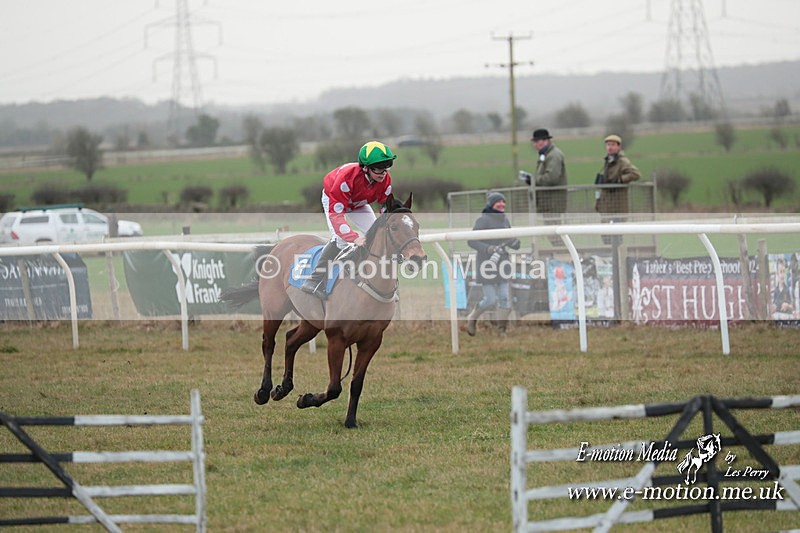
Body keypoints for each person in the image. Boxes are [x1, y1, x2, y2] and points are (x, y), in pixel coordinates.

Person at [301, 140, 397, 299]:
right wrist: (354, 237)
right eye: (379, 168)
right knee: (341, 241)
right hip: (335, 200)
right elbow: (337, 215)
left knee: (377, 235)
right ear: (365, 168)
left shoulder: (385, 180)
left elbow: (385, 208)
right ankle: (314, 279)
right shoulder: (346, 179)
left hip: (359, 203)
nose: (383, 173)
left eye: (386, 168)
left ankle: (370, 276)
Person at [465, 192, 521, 336]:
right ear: (491, 204)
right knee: (490, 300)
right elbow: (471, 240)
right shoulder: (483, 220)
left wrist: (515, 243)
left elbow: (511, 239)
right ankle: (472, 318)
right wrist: (488, 248)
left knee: (504, 298)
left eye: (503, 202)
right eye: (498, 202)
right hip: (487, 264)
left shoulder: (505, 220)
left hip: (502, 263)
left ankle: (502, 330)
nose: (502, 204)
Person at [519, 128, 567, 220]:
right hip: (548, 202)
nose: (535, 145)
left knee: (553, 230)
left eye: (537, 141)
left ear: (545, 141)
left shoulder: (553, 155)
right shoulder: (546, 154)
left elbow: (552, 178)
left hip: (553, 202)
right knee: (551, 230)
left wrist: (532, 180)